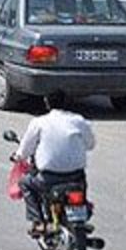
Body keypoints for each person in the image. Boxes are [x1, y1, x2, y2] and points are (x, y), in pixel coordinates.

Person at [13, 92, 95, 237]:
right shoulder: (79, 121)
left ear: (47, 103)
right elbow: (90, 144)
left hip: (48, 179)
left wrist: (18, 156)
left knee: (25, 183)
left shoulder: (39, 122)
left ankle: (38, 222)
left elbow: (26, 148)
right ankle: (83, 211)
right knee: (81, 191)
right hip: (76, 177)